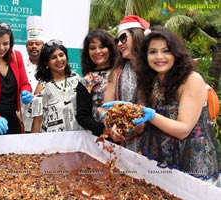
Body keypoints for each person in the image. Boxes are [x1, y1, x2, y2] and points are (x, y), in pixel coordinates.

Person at [136, 27, 219, 181]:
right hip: (160, 160)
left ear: (176, 53)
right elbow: (139, 115)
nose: (159, 56)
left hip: (192, 162)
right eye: (153, 52)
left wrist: (151, 116)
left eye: (166, 50)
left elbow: (183, 130)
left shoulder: (191, 79)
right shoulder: (151, 79)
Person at [101, 15, 151, 152]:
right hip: (124, 145)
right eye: (117, 40)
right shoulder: (116, 72)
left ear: (137, 36)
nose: (119, 44)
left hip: (153, 143)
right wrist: (111, 127)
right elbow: (105, 108)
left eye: (123, 38)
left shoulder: (156, 70)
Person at [31, 39, 83, 133]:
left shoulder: (76, 78)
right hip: (52, 142)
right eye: (53, 57)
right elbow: (37, 121)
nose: (59, 59)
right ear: (46, 63)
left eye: (61, 55)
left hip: (77, 138)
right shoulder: (42, 87)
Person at [76, 29, 120, 136]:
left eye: (102, 46)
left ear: (110, 48)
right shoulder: (87, 81)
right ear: (87, 52)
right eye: (92, 48)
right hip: (103, 140)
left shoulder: (122, 72)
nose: (97, 51)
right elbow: (83, 117)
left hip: (131, 135)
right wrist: (105, 130)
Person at [22, 16, 44, 133]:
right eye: (30, 44)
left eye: (37, 43)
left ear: (43, 46)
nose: (34, 46)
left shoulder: (49, 66)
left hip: (43, 122)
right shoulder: (19, 64)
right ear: (26, 47)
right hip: (23, 119)